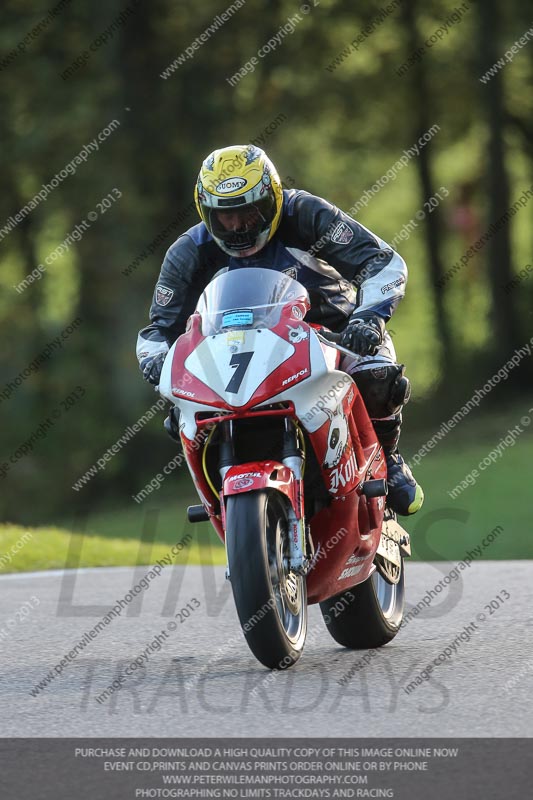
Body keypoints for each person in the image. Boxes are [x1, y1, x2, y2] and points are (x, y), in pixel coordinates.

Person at [136, 145, 423, 516]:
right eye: (225, 217)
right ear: (206, 213)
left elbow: (381, 262)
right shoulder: (189, 251)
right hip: (236, 355)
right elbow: (159, 328)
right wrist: (157, 360)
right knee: (182, 417)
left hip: (334, 332)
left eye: (248, 212)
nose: (238, 226)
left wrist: (368, 317)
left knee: (379, 376)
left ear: (272, 199)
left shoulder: (306, 214)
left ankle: (390, 457)